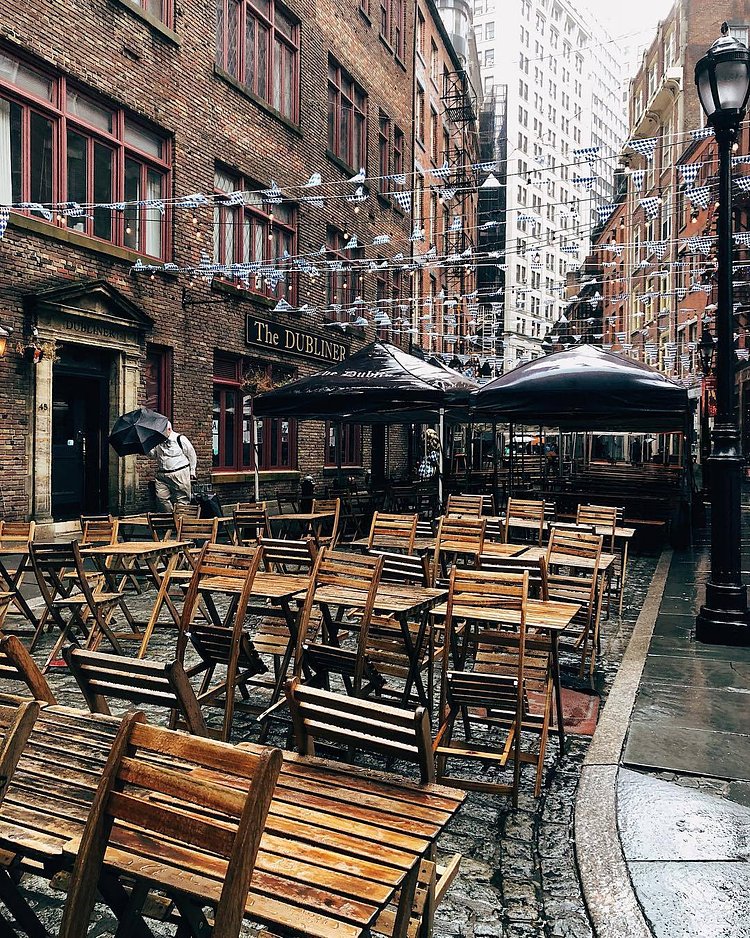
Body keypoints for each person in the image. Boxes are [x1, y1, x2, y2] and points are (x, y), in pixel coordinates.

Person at [150, 421, 197, 512]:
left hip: (179, 473)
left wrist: (192, 471)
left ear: (169, 429)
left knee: (182, 500)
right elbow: (153, 454)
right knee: (161, 499)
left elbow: (192, 455)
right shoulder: (157, 441)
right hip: (162, 475)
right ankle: (170, 519)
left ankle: (181, 522)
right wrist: (146, 448)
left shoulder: (180, 439)